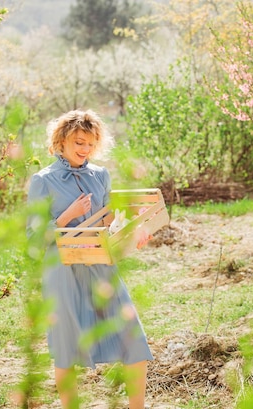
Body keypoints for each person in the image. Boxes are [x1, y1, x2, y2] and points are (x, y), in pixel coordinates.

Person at [26, 109, 153, 408]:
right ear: (61, 140)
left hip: (100, 264)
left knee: (133, 339)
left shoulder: (101, 175)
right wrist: (66, 216)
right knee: (66, 347)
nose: (84, 150)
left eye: (90, 144)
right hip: (62, 270)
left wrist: (134, 230)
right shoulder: (42, 181)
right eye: (78, 142)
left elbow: (109, 218)